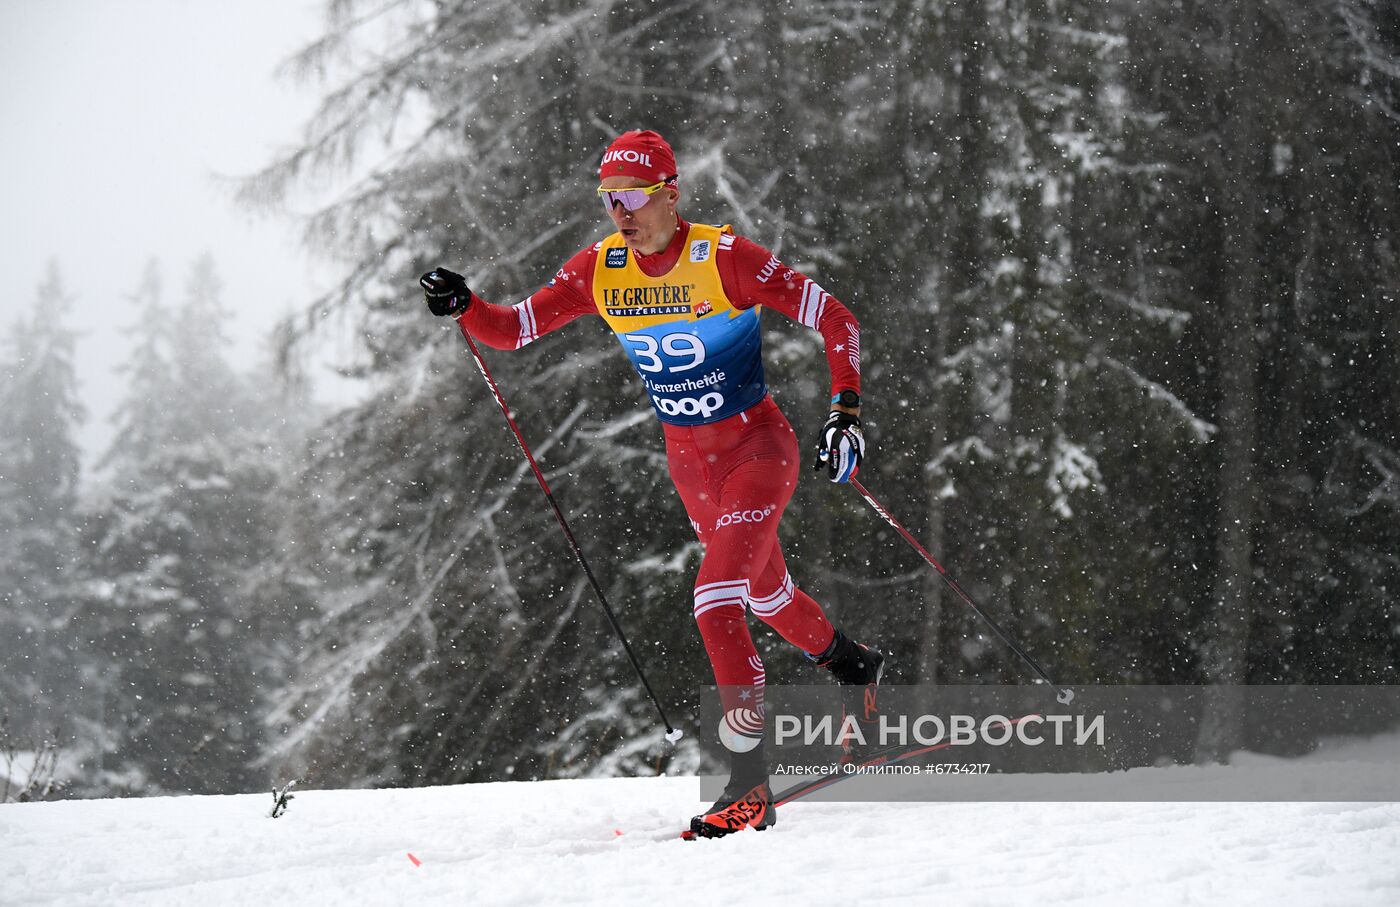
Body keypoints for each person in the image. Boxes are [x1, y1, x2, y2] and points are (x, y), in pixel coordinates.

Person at [420, 129, 884, 839]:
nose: (621, 211)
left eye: (634, 195)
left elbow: (836, 317)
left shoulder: (724, 258)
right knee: (766, 594)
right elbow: (512, 329)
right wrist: (466, 306)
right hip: (690, 465)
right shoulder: (600, 269)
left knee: (713, 602)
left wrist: (845, 413)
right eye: (609, 198)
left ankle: (748, 785)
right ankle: (855, 666)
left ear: (672, 192)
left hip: (757, 450)